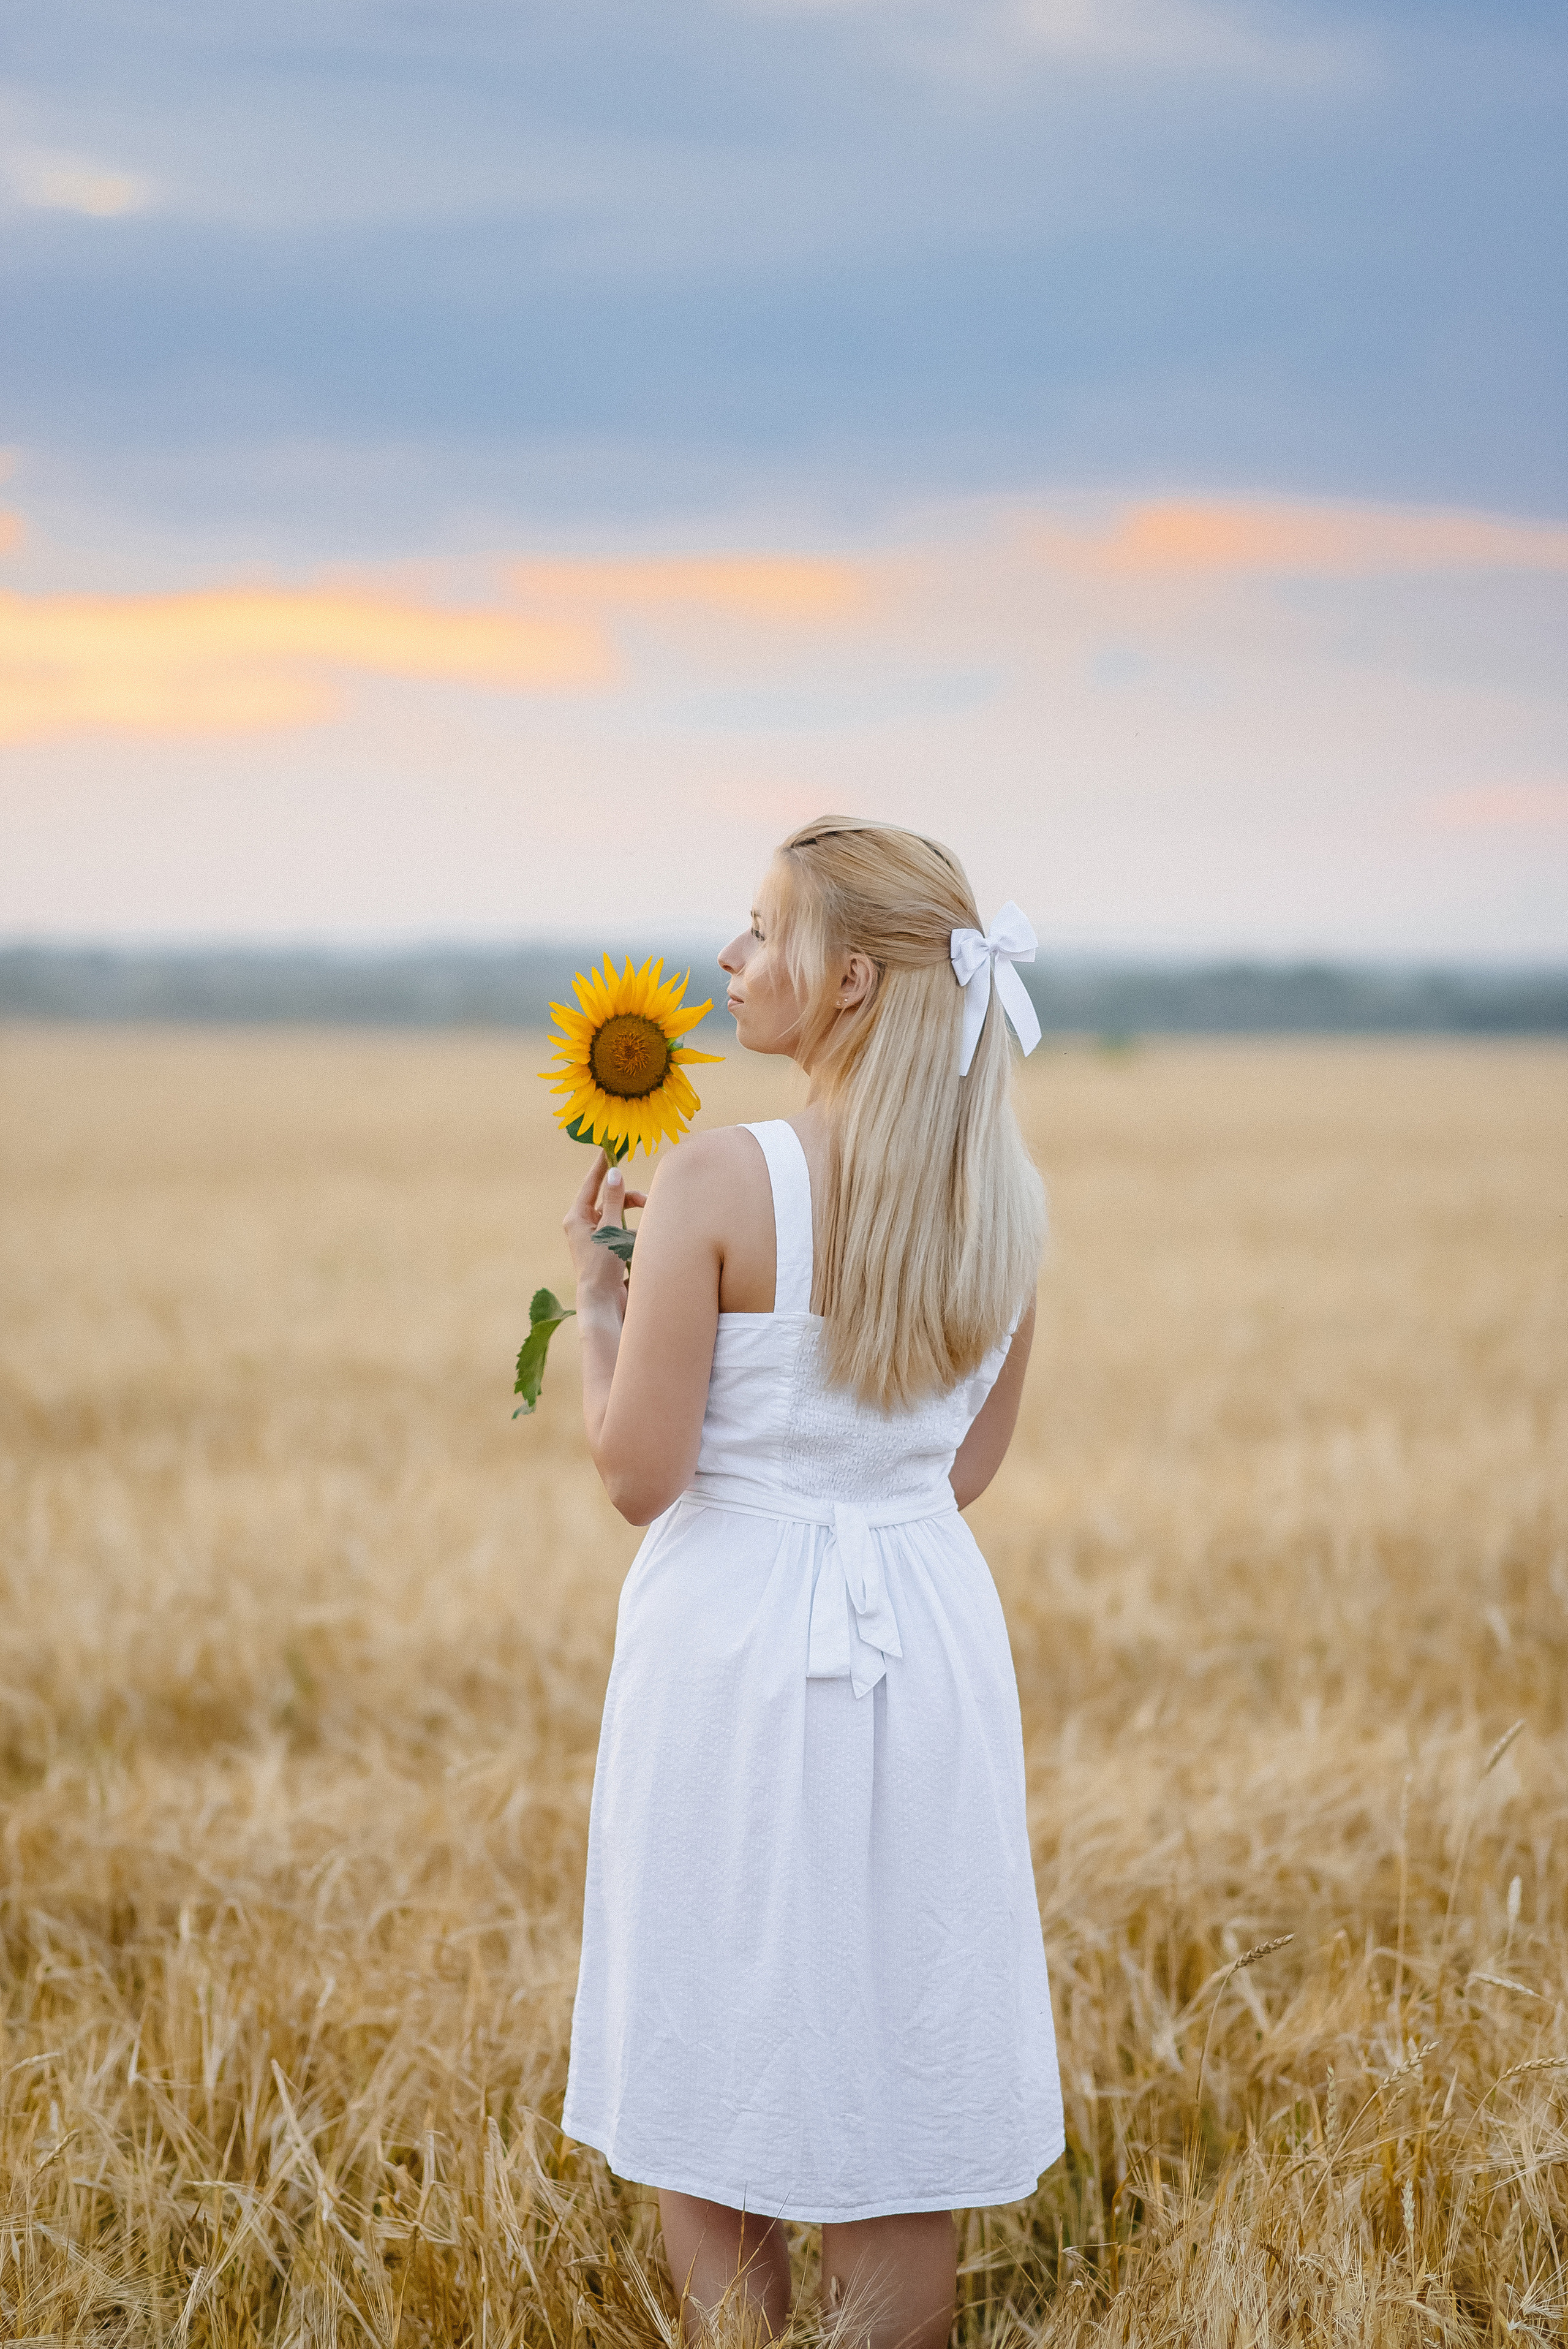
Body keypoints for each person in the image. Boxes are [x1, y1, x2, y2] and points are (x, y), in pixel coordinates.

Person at [559, 818, 1063, 2348]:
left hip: (734, 1643)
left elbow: (638, 1474)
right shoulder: (1006, 1197)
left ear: (848, 981)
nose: (729, 957)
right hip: (924, 1636)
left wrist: (598, 1302)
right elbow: (957, 1474)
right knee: (893, 2046)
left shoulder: (719, 1176)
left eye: (764, 930)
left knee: (716, 2026)